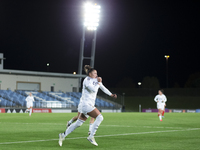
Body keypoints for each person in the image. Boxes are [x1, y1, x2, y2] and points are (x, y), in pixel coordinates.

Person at [59, 65, 117, 147]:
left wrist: (111, 94)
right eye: (94, 73)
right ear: (90, 74)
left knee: (78, 123)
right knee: (100, 117)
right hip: (86, 104)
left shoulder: (96, 80)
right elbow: (93, 89)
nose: (96, 74)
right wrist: (99, 82)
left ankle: (63, 135)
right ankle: (91, 136)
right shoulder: (87, 80)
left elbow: (103, 88)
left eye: (96, 73)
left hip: (87, 105)